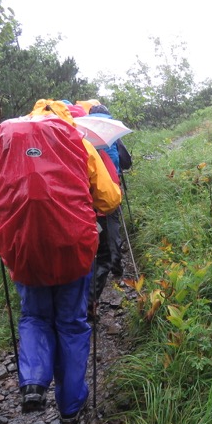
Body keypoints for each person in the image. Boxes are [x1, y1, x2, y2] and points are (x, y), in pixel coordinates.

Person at [0, 99, 121, 424]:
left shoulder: (6, 141)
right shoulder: (77, 139)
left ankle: (33, 381)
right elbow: (109, 198)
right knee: (72, 324)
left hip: (24, 250)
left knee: (35, 317)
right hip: (73, 249)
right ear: (65, 114)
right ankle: (70, 407)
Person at [86, 103, 131, 303]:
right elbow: (126, 161)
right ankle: (116, 263)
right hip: (111, 186)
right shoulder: (111, 133)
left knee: (94, 230)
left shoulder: (82, 135)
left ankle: (91, 275)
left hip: (87, 195)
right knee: (112, 225)